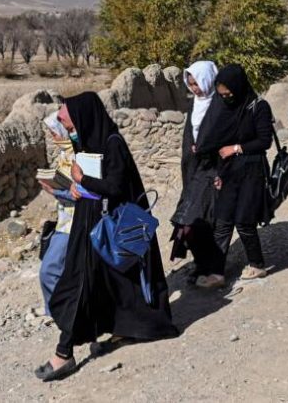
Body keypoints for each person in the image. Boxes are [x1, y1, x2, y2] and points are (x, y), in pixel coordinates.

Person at [35, 92, 178, 382]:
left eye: (72, 126)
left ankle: (64, 353)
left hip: (104, 230)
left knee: (80, 286)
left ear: (86, 118)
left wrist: (82, 180)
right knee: (107, 285)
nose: (70, 133)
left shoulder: (114, 144)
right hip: (90, 228)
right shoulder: (90, 143)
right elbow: (93, 187)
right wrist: (76, 191)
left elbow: (114, 187)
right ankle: (126, 329)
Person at [195, 64, 273, 288]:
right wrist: (219, 172)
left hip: (252, 170)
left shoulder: (258, 107)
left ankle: (257, 265)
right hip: (229, 172)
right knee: (223, 221)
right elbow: (216, 142)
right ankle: (216, 273)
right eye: (222, 95)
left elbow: (263, 141)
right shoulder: (225, 109)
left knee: (244, 221)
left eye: (229, 94)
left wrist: (236, 148)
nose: (226, 98)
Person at [169, 61, 220, 285]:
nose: (195, 89)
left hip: (212, 170)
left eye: (197, 83)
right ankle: (201, 264)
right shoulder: (194, 105)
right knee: (186, 222)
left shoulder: (219, 104)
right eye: (190, 85)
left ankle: (212, 268)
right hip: (193, 170)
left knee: (202, 221)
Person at [37, 112, 76, 315]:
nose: (53, 137)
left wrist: (56, 191)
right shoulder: (63, 155)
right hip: (64, 220)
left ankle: (61, 313)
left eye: (55, 132)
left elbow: (82, 194)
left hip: (73, 224)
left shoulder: (78, 154)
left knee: (48, 270)